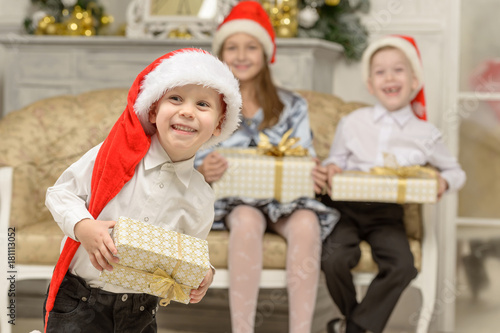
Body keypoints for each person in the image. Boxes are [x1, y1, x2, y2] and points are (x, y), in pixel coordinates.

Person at [42, 48, 242, 333]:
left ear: (219, 125)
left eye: (202, 104)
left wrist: (203, 273)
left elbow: (188, 253)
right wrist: (84, 226)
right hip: (80, 300)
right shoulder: (113, 155)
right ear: (153, 109)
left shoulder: (200, 197)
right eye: (175, 98)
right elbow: (60, 193)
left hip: (139, 311)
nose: (187, 111)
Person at [195, 2, 339, 332]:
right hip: (235, 200)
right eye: (232, 47)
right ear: (221, 54)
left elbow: (306, 156)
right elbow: (188, 152)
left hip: (288, 199)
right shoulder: (209, 103)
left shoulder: (293, 105)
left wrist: (314, 171)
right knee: (246, 221)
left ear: (266, 54)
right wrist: (204, 169)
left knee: (306, 225)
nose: (241, 55)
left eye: (251, 47)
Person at [312, 35, 467, 333]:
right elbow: (337, 160)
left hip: (387, 214)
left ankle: (351, 327)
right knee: (334, 259)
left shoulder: (426, 134)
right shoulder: (353, 121)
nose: (390, 77)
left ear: (414, 81)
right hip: (343, 207)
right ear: (370, 85)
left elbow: (456, 171)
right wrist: (331, 168)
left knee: (403, 265)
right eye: (380, 72)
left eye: (398, 70)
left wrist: (442, 181)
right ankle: (356, 323)